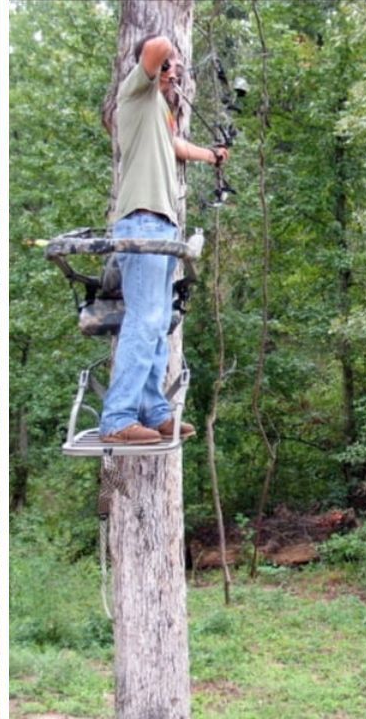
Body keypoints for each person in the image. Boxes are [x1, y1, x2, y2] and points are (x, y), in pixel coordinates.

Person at [98, 34, 229, 445]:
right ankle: (118, 417)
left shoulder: (159, 115)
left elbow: (175, 146)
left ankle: (154, 412)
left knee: (156, 323)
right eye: (169, 66)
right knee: (144, 319)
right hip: (142, 221)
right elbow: (155, 45)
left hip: (160, 226)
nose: (175, 72)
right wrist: (165, 60)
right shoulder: (136, 92)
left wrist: (211, 155)